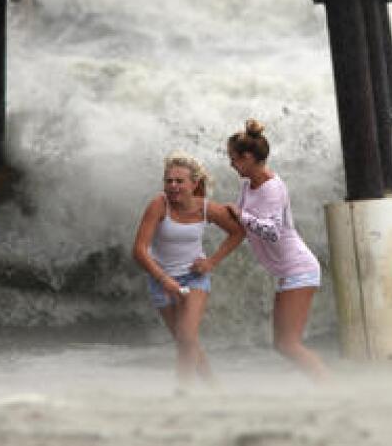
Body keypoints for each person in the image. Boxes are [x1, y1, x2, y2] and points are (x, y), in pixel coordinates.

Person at [225, 119, 329, 381]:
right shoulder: (248, 185)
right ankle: (325, 386)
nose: (231, 165)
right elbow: (238, 221)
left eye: (233, 159)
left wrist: (242, 217)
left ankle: (330, 388)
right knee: (283, 345)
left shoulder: (272, 188)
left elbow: (272, 231)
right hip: (288, 272)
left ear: (247, 157)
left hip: (300, 269)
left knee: (289, 344)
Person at [132, 150, 244, 385]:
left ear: (194, 184)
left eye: (179, 181)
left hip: (193, 278)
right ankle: (214, 388)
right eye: (168, 181)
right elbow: (139, 251)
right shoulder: (158, 204)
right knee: (186, 341)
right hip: (161, 280)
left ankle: (183, 393)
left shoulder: (206, 208)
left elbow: (238, 232)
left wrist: (211, 261)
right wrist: (163, 279)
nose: (172, 186)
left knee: (186, 336)